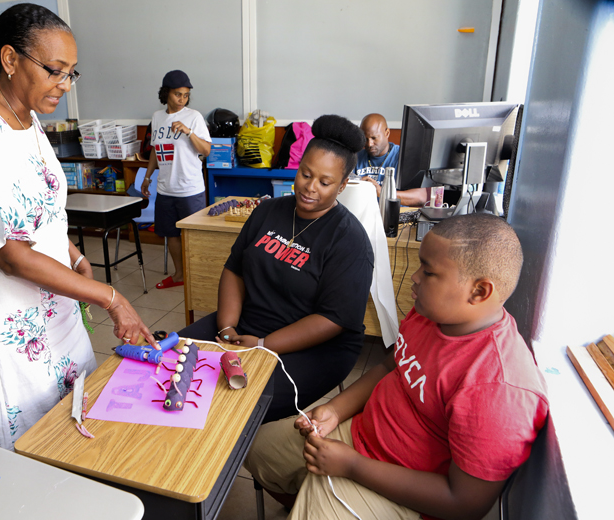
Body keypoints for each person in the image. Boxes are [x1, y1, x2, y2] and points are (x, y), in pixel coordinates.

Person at [0, 3, 156, 449]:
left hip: (55, 297)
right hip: (8, 313)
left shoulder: (27, 117)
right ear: (10, 59)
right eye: (55, 71)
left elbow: (42, 209)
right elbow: (11, 255)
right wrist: (111, 297)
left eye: (72, 73)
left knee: (78, 420)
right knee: (35, 443)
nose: (65, 85)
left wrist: (73, 255)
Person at [244, 213, 549, 520]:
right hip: (361, 438)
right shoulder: (431, 314)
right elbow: (391, 364)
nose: (414, 277)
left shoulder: (498, 389)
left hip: (408, 488)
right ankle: (308, 498)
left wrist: (352, 466)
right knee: (254, 450)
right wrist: (336, 410)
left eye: (429, 272)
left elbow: (464, 503)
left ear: (479, 291)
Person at [179, 115, 374, 423]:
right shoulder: (268, 211)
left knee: (228, 405)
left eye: (324, 183)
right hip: (249, 322)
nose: (310, 188)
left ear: (342, 185)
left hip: (315, 346)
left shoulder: (349, 240)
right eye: (305, 174)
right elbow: (235, 268)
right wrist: (227, 328)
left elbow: (333, 319)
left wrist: (263, 346)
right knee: (170, 362)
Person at [141, 70, 211, 289]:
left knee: (193, 235)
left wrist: (189, 132)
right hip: (165, 189)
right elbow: (156, 150)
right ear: (166, 93)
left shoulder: (194, 117)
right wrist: (147, 177)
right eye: (177, 94)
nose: (182, 99)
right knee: (171, 234)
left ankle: (197, 277)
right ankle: (180, 275)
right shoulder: (157, 117)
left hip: (190, 189)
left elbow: (206, 150)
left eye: (186, 95)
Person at [355, 113, 429, 207]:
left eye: (374, 138)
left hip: (396, 215)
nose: (369, 144)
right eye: (365, 139)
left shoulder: (404, 158)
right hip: (364, 213)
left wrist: (383, 192)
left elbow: (421, 197)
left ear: (387, 133)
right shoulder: (355, 157)